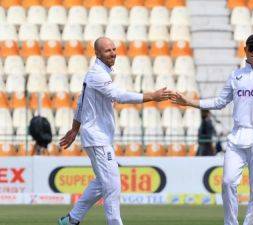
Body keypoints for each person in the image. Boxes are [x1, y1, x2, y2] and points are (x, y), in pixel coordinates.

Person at [171, 34, 253, 225]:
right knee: (228, 182)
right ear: (245, 49)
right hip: (238, 135)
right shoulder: (236, 75)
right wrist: (189, 102)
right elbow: (219, 102)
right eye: (251, 48)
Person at [58, 37, 171, 225]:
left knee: (101, 184)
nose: (113, 53)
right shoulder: (97, 75)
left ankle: (71, 220)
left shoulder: (98, 73)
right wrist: (152, 96)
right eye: (107, 50)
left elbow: (81, 103)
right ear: (97, 53)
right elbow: (119, 95)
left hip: (99, 137)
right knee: (112, 187)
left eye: (114, 49)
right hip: (97, 138)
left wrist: (74, 128)